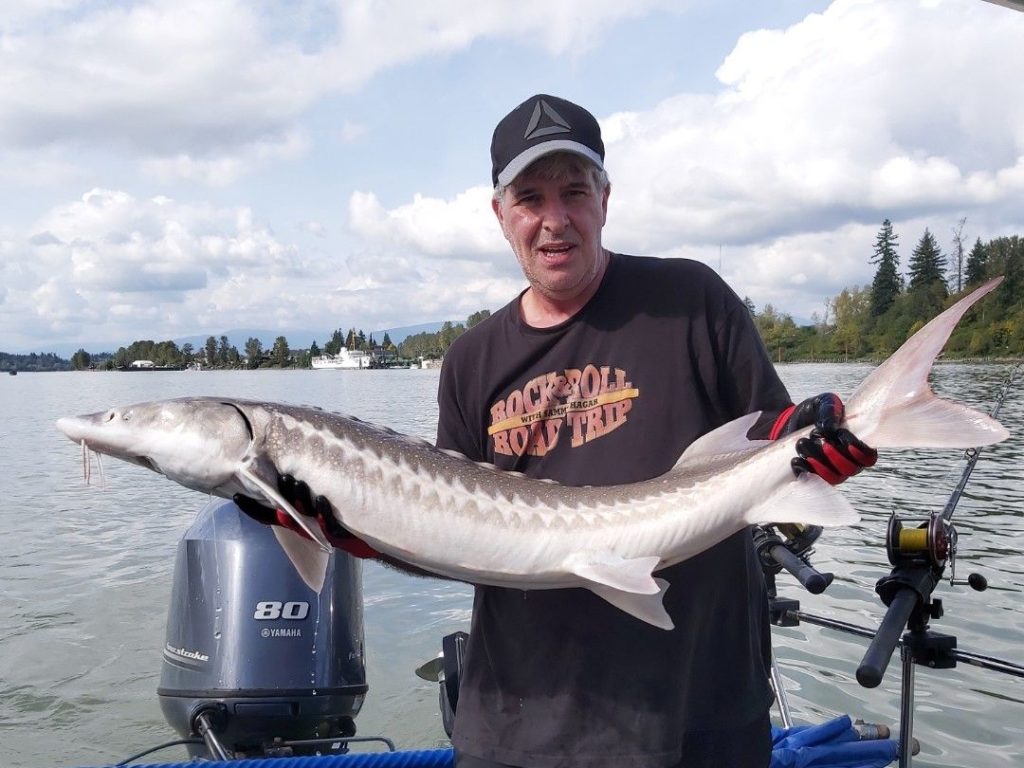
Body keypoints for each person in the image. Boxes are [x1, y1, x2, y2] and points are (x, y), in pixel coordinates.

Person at [237, 94, 877, 768]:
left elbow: (776, 438)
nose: (554, 220)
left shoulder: (690, 301)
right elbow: (453, 538)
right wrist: (349, 534)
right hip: (520, 727)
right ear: (500, 213)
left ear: (605, 196)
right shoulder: (472, 359)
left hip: (697, 715)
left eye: (574, 190)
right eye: (530, 197)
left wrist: (823, 438)